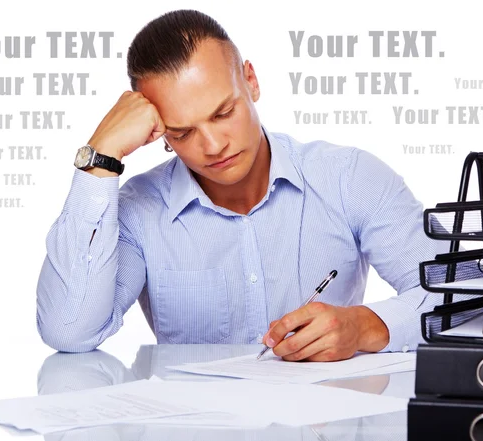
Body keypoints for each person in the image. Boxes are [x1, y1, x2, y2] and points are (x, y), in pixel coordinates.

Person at [37, 9, 447, 360]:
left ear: (250, 80)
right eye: (182, 133)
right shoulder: (138, 211)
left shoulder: (349, 178)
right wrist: (100, 156)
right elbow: (68, 330)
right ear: (157, 130)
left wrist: (365, 325)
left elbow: (465, 292)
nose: (213, 146)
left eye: (223, 113)